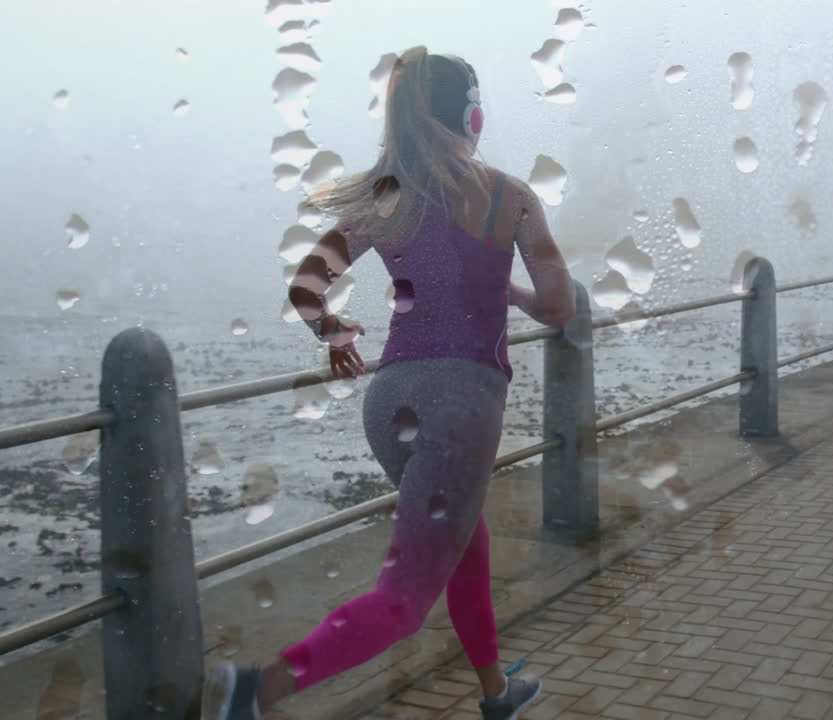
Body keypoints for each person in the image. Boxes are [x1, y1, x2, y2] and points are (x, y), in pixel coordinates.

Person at [204, 47, 575, 720]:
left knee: (464, 544)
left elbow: (307, 286)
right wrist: (512, 292)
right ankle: (254, 693)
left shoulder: (388, 196)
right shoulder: (512, 197)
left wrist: (336, 334)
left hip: (390, 401)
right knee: (404, 600)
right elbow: (559, 307)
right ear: (471, 115)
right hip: (461, 407)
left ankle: (496, 693)